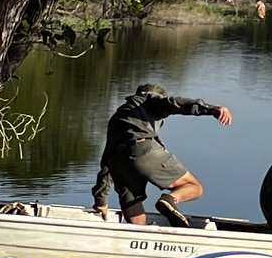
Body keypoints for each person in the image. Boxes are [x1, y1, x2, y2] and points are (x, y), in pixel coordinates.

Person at [95, 81, 232, 225]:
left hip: (118, 162)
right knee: (194, 187)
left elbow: (107, 160)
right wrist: (212, 109)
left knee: (133, 206)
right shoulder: (150, 100)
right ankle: (169, 200)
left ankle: (139, 235)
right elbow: (175, 103)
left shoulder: (118, 117)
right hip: (143, 149)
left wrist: (101, 200)